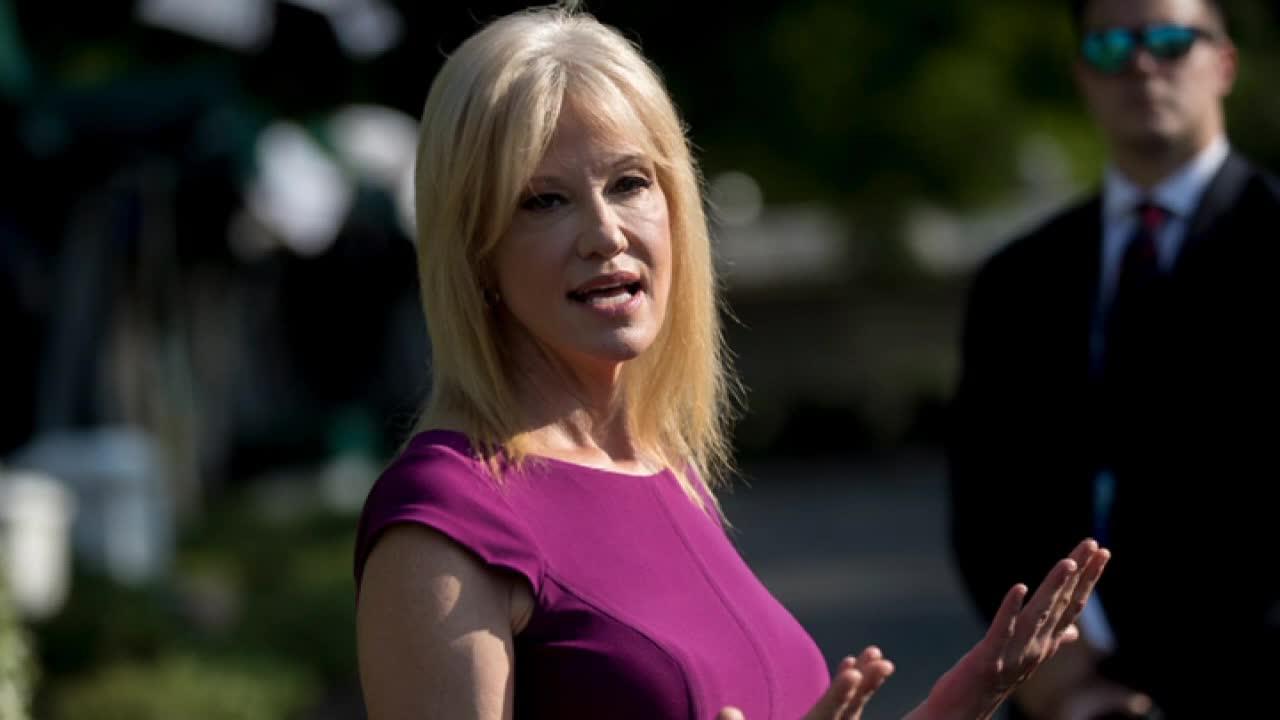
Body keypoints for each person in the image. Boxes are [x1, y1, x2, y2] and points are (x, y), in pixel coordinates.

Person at [354, 4, 1109, 719]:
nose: (606, 233)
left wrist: (962, 700)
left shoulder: (665, 467)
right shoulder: (444, 522)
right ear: (475, 249)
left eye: (629, 183)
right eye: (543, 201)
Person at [947, 0, 1280, 717]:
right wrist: (1052, 672)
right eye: (1110, 47)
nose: (1141, 64)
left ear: (1225, 63)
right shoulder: (1017, 279)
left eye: (1171, 41)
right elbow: (986, 498)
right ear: (1082, 75)